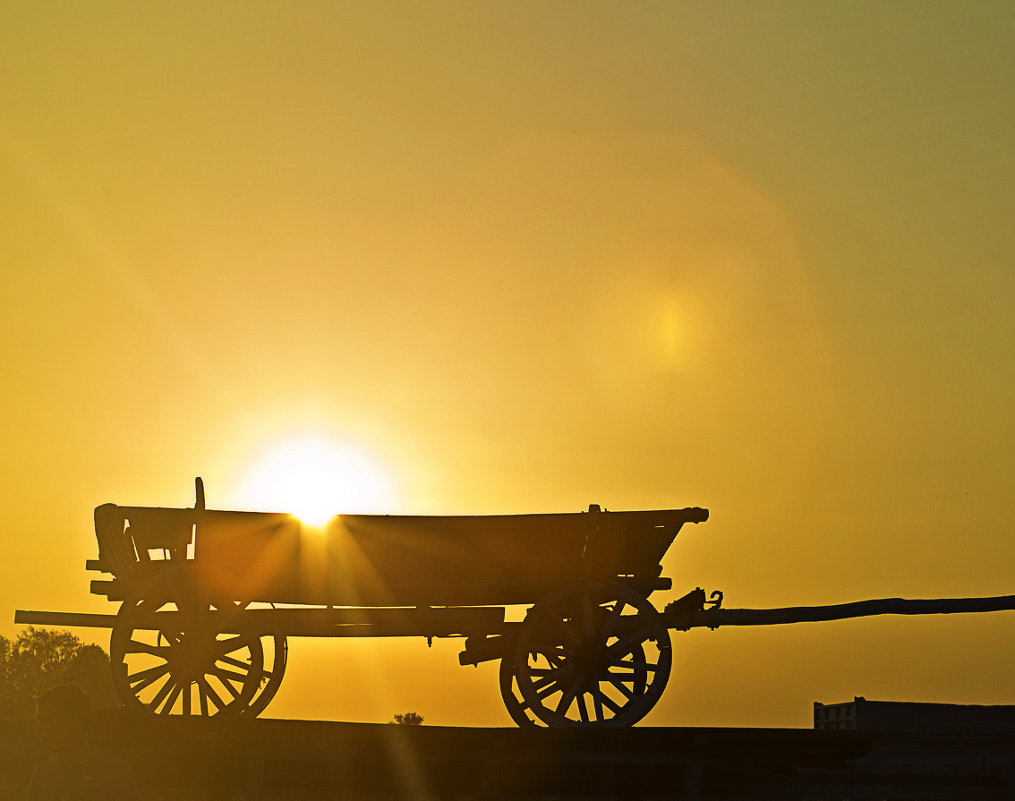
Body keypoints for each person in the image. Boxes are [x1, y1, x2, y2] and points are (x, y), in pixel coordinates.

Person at [26, 683, 143, 801]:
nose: (39, 727)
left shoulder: (43, 776)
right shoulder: (116, 771)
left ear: (71, 720)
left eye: (46, 719)